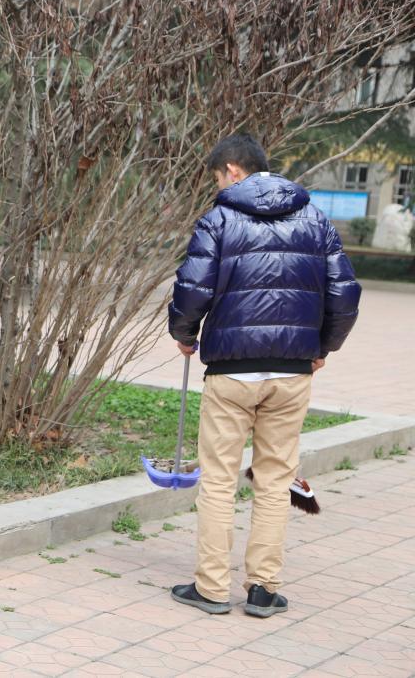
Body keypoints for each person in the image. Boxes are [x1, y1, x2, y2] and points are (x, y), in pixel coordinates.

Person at [167, 134, 360, 617]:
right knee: (275, 481)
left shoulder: (219, 219)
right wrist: (323, 348)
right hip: (292, 373)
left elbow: (192, 289)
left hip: (231, 371)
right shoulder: (315, 219)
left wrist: (185, 335)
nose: (218, 185)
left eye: (217, 177)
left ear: (233, 170)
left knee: (218, 481)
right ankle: (263, 589)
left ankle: (212, 588)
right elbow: (344, 294)